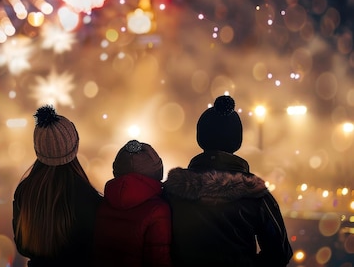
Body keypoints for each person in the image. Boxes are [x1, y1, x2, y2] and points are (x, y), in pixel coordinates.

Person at [163, 95, 293, 267]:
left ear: (200, 137)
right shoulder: (254, 192)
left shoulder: (174, 188)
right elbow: (280, 252)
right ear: (236, 141)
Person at [12, 105, 102, 266]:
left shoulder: (25, 191)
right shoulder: (88, 196)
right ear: (74, 145)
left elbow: (22, 246)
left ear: (38, 149)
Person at [94, 139, 172, 267]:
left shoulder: (102, 205)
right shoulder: (159, 211)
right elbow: (158, 259)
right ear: (158, 172)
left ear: (116, 172)